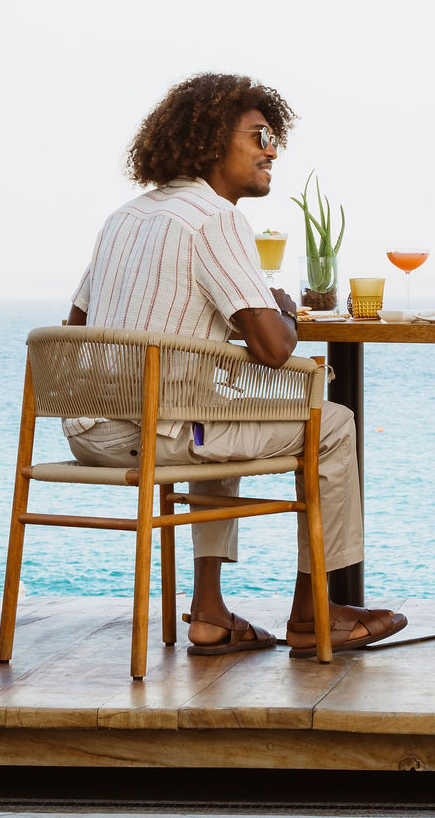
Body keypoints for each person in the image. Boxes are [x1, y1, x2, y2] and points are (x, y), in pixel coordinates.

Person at [65, 72, 407, 656]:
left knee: (210, 413)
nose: (272, 149)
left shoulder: (124, 217)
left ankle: (209, 613)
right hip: (154, 434)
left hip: (90, 432)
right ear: (210, 141)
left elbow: (76, 326)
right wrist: (281, 309)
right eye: (259, 136)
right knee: (333, 423)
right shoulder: (215, 219)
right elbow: (274, 349)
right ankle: (314, 612)